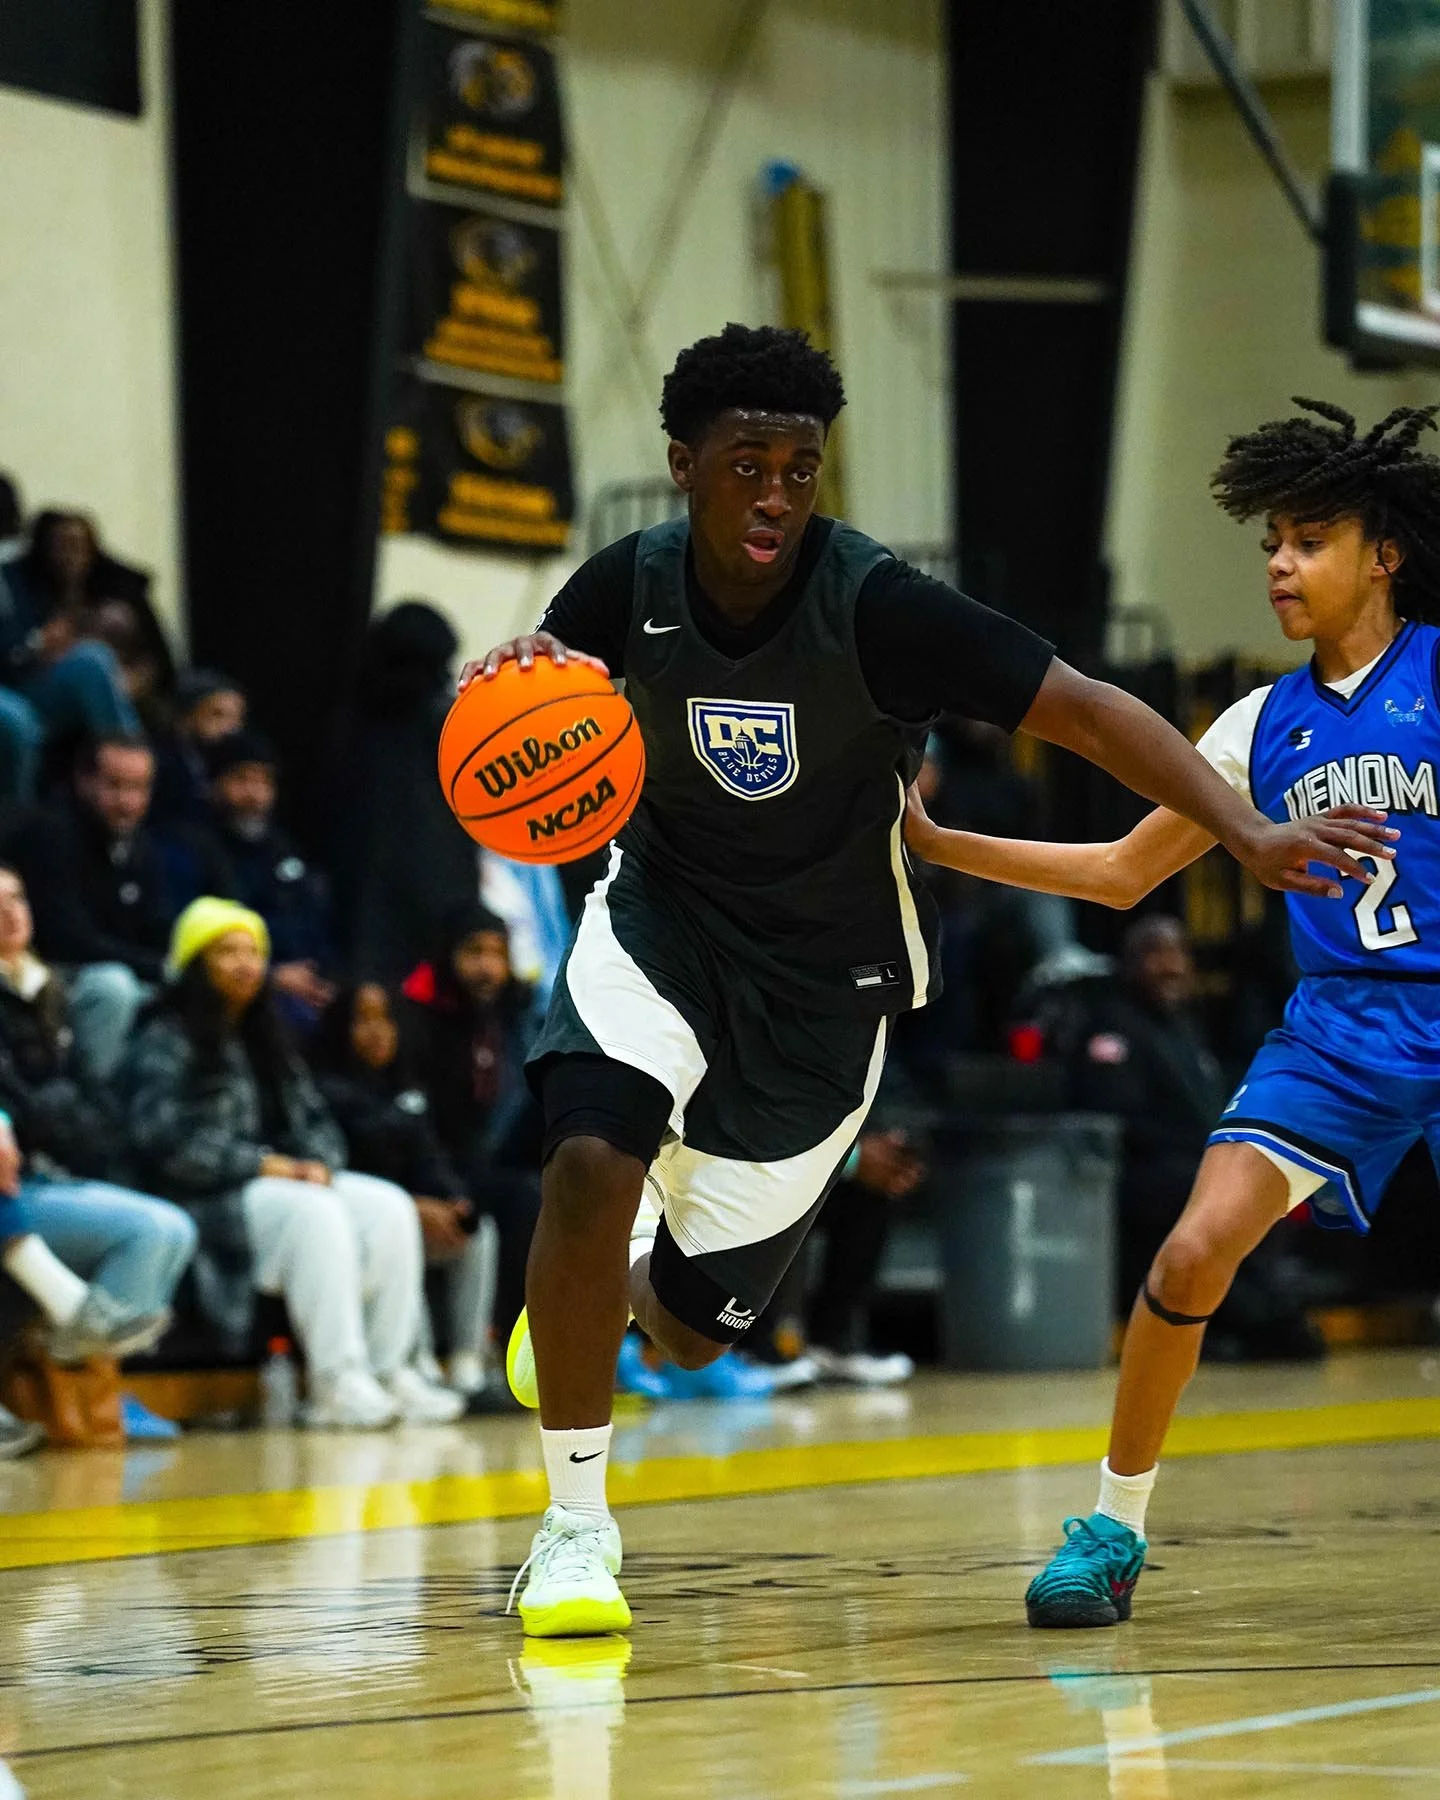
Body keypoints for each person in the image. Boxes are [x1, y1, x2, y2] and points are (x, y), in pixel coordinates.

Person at [461, 325, 1387, 1639]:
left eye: (800, 466)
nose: (776, 493)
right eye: (747, 465)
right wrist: (498, 686)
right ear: (683, 465)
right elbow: (534, 705)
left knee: (688, 1331)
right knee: (586, 1159)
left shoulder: (881, 607)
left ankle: (611, 1284)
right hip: (662, 922)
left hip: (825, 991)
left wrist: (1241, 834)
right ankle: (571, 1532)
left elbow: (1091, 708)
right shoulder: (626, 587)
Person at [904, 396, 1440, 1629]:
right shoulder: (1258, 726)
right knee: (1194, 1250)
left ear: (1385, 552)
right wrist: (938, 841)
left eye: (1307, 541)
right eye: (1270, 545)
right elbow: (1115, 873)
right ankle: (1111, 1529)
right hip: (1340, 1028)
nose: (1279, 566)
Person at [120, 897, 463, 1428]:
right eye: (226, 951)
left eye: (253, 951)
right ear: (194, 963)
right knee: (313, 1211)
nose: (244, 963)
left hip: (281, 1184)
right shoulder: (165, 1035)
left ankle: (392, 1368)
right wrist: (265, 1165)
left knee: (388, 1206)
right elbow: (162, 1140)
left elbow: (317, 1122)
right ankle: (335, 1382)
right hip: (209, 1198)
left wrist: (319, 1163)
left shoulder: (268, 1037)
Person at [1056, 914, 1322, 1361]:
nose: (1171, 966)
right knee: (1210, 1197)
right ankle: (1260, 1314)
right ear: (1130, 964)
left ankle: (1262, 1307)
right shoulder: (1111, 1030)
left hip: (1190, 1166)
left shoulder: (1184, 1026)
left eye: (1177, 953)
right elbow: (1119, 1121)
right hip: (1137, 1178)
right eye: (1156, 954)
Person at [0, 859, 196, 1360]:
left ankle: (91, 1373)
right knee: (148, 1231)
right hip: (21, 1182)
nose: (9, 914)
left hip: (50, 1171)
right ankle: (78, 1351)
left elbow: (90, 1099)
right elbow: (26, 1107)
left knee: (172, 1228)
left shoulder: (51, 992)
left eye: (17, 899)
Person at [310, 981, 500, 1398]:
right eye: (363, 1020)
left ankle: (468, 1359)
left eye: (386, 1020)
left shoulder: (408, 1086)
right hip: (362, 1220)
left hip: (417, 1211)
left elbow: (430, 1156)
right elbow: (340, 1167)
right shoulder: (325, 1090)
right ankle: (418, 1362)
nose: (377, 1031)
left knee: (478, 1232)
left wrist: (454, 1201)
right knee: (400, 1229)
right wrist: (416, 1207)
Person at [6, 734, 223, 1081]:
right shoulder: (50, 833)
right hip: (50, 971)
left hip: (116, 968)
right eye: (115, 786)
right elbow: (66, 938)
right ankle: (96, 1102)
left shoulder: (139, 844)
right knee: (114, 987)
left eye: (139, 788)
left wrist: (187, 964)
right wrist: (159, 968)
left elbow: (157, 922)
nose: (128, 802)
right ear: (83, 780)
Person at [402, 904, 541, 1349]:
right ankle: (511, 1345)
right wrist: (442, 1186)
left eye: (498, 954)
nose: (488, 967)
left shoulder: (511, 1018)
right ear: (449, 955)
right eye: (475, 952)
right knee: (522, 1200)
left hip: (483, 1164)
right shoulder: (416, 1021)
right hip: (430, 1171)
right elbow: (412, 1122)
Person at [193, 728, 336, 1024]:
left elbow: (315, 923)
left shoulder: (284, 849)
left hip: (305, 985)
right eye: (242, 779)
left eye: (263, 781)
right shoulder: (194, 848)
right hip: (238, 985)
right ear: (214, 784)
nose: (254, 794)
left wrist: (325, 978)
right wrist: (271, 974)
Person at [151, 668, 247, 833]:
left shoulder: (219, 765)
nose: (232, 728)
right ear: (187, 714)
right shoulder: (161, 762)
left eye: (237, 718)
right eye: (218, 714)